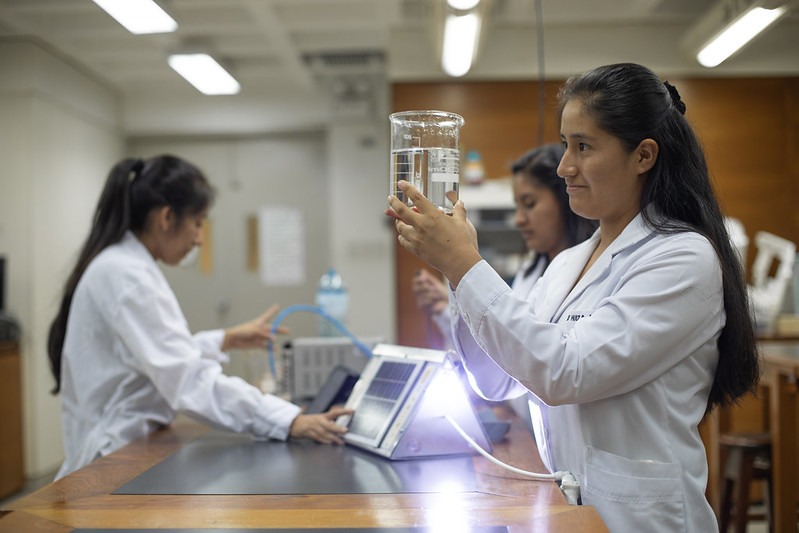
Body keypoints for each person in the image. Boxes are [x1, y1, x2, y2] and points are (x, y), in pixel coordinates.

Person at [387, 63, 759, 532]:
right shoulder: (569, 262)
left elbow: (565, 372)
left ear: (643, 155)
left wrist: (465, 265)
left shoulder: (683, 258)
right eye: (566, 145)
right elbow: (495, 381)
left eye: (583, 146)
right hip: (570, 510)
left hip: (641, 517)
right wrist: (456, 274)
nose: (565, 167)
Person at [47, 154, 351, 480]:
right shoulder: (128, 276)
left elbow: (154, 357)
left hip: (123, 450)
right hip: (110, 461)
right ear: (166, 217)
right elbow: (188, 379)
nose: (199, 238)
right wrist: (288, 420)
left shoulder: (121, 266)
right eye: (198, 222)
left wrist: (225, 339)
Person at [412, 144, 596, 351]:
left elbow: (538, 354)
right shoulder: (530, 274)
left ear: (565, 201)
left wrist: (461, 266)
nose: (518, 220)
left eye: (530, 204)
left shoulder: (591, 272)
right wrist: (447, 306)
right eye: (517, 206)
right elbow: (498, 350)